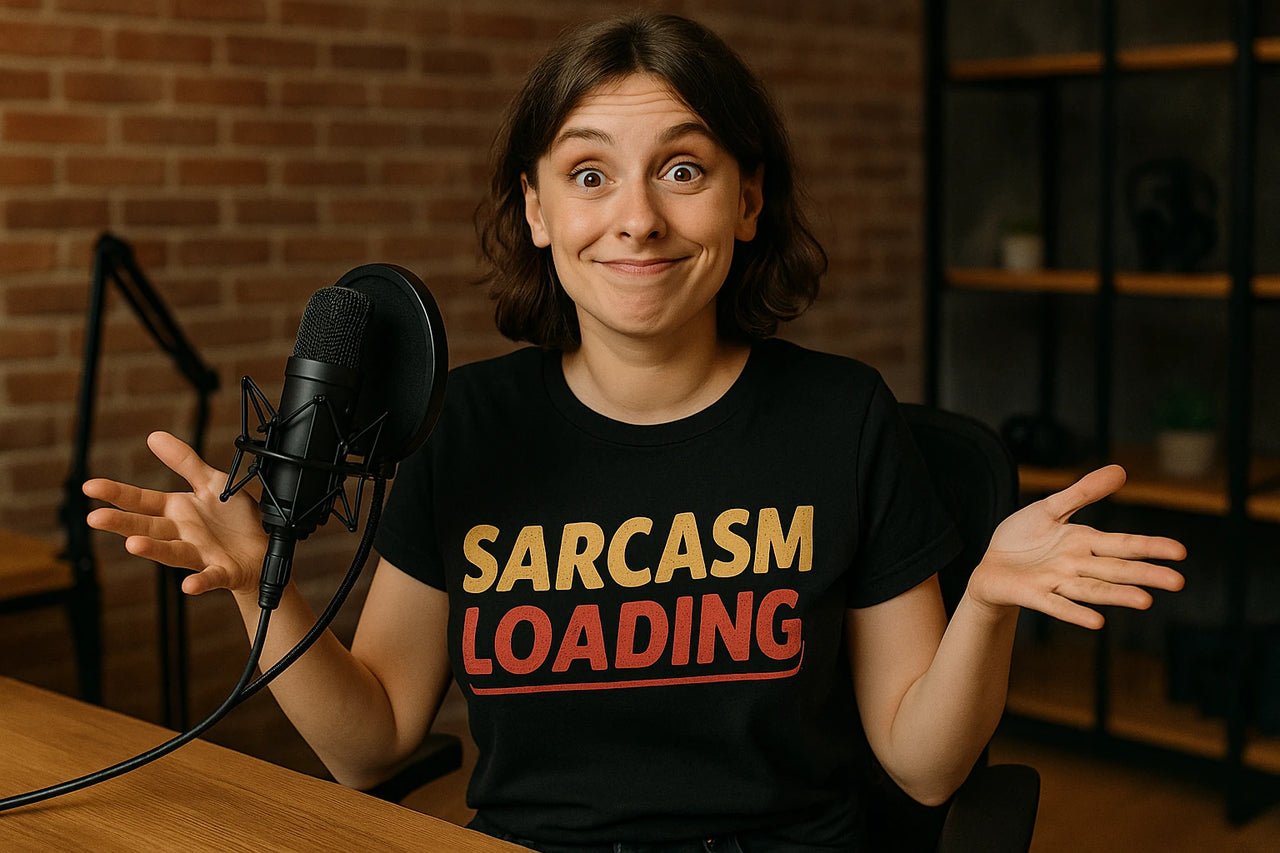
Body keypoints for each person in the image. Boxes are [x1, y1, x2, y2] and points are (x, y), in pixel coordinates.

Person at [83, 13, 1186, 853]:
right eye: (590, 173)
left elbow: (927, 769)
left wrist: (983, 598)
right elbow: (368, 743)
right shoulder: (468, 425)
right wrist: (252, 585)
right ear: (536, 211)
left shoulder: (839, 414)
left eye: (683, 169)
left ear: (747, 202)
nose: (637, 218)